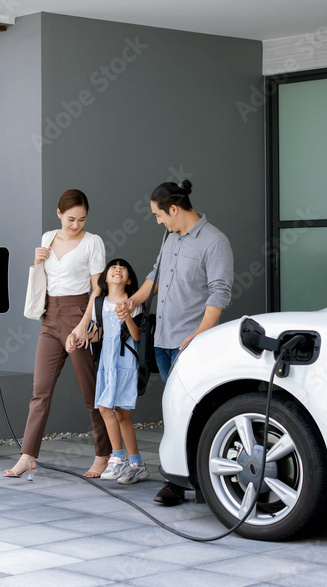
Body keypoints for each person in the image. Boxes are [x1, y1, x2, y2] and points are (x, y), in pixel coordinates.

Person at [123, 179, 233, 505]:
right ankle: (181, 478)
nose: (159, 222)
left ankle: (189, 482)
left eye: (159, 215)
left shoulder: (214, 242)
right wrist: (133, 301)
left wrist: (200, 334)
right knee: (174, 413)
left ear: (173, 209)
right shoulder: (170, 238)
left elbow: (220, 292)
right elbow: (155, 276)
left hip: (193, 343)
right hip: (163, 340)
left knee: (196, 412)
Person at [3, 189, 111, 480]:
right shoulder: (48, 238)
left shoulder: (93, 242)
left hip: (79, 316)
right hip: (50, 319)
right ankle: (28, 456)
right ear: (59, 214)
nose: (76, 225)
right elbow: (44, 279)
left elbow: (97, 290)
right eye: (71, 219)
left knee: (90, 393)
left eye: (82, 219)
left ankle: (103, 455)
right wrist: (37, 261)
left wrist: (82, 327)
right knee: (40, 391)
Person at [88, 258, 149, 485]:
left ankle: (123, 460)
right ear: (105, 277)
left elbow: (137, 337)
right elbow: (97, 334)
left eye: (123, 267)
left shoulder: (133, 303)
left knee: (121, 412)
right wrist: (81, 337)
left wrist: (127, 318)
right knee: (106, 408)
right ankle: (133, 463)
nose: (118, 269)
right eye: (113, 267)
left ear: (129, 279)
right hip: (106, 362)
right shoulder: (99, 303)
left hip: (125, 363)